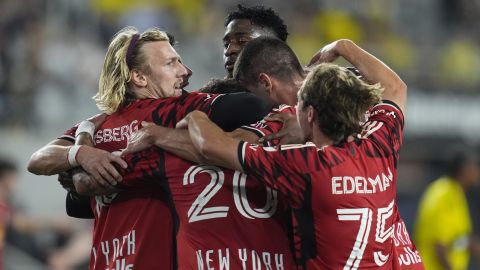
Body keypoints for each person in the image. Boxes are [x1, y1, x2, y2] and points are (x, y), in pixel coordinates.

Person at [28, 26, 271, 269]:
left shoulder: (97, 126)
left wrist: (80, 151)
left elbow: (41, 162)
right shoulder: (172, 111)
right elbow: (255, 105)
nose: (185, 71)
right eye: (171, 63)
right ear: (140, 77)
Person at [177, 39, 425, 269]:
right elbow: (394, 87)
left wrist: (196, 115)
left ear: (310, 115)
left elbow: (213, 146)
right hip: (402, 259)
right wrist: (343, 46)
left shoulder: (306, 165)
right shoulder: (380, 144)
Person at [414, 149, 480, 270]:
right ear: (465, 169)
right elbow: (439, 247)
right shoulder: (443, 193)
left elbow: (460, 239)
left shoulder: (457, 192)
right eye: (475, 167)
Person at [223, 4, 289, 78]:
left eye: (242, 41)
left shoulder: (300, 87)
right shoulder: (215, 89)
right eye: (226, 44)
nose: (228, 51)